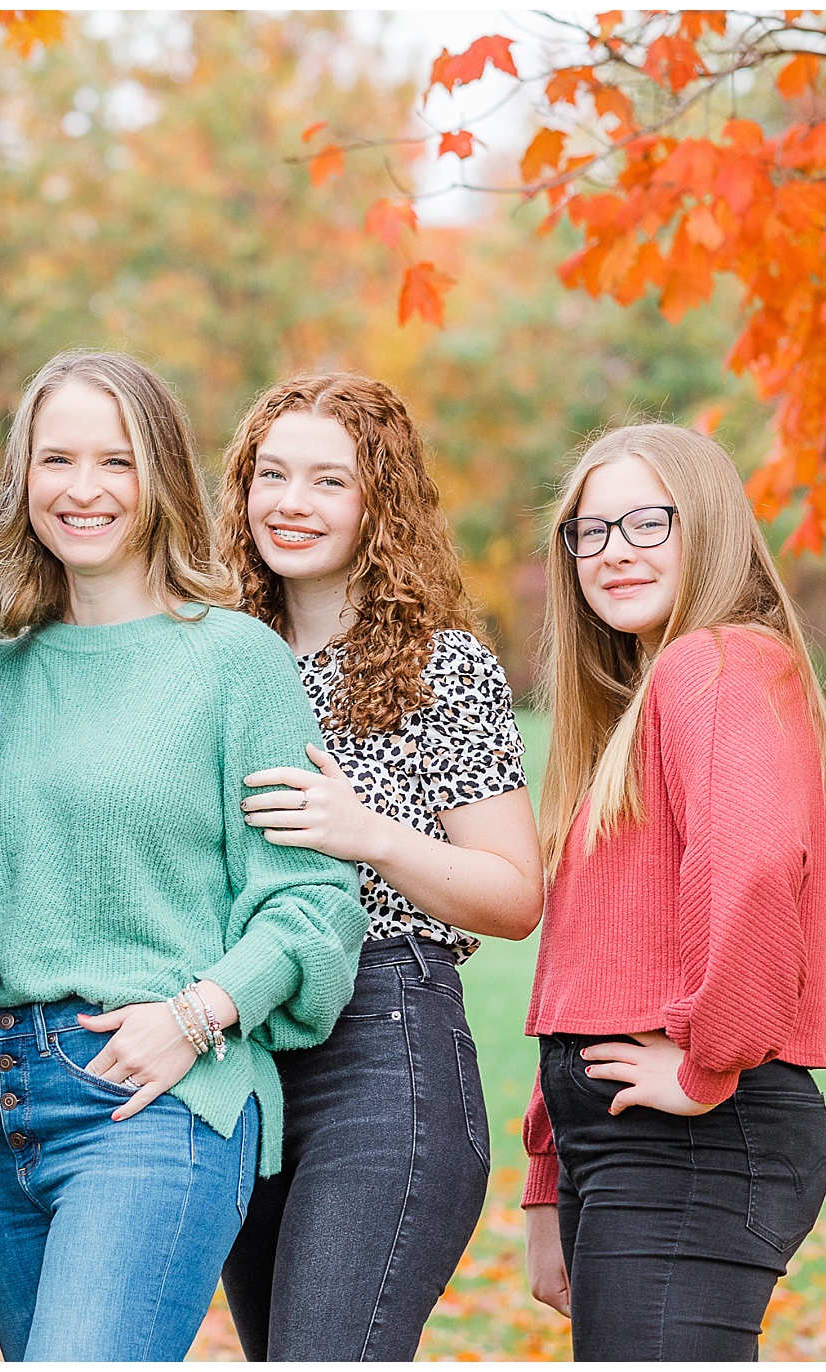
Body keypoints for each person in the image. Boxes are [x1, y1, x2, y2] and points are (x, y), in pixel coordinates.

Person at [0, 350, 368, 1362]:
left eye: (115, 459)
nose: (83, 488)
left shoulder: (235, 660)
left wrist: (196, 1015)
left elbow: (313, 899)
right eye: (56, 459)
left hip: (156, 1097)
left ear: (161, 478)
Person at [211, 374, 544, 1359]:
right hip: (248, 1053)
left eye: (325, 480)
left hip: (382, 1047)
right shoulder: (222, 657)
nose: (289, 503)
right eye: (270, 475)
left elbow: (515, 894)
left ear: (377, 502)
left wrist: (373, 836)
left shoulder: (441, 665)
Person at [519, 423, 826, 1359]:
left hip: (699, 1136)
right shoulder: (643, 706)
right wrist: (552, 1177)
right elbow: (587, 961)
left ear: (705, 526)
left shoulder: (716, 663)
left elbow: (752, 871)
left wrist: (710, 1063)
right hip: (628, 1146)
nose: (612, 551)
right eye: (589, 531)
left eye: (645, 522)